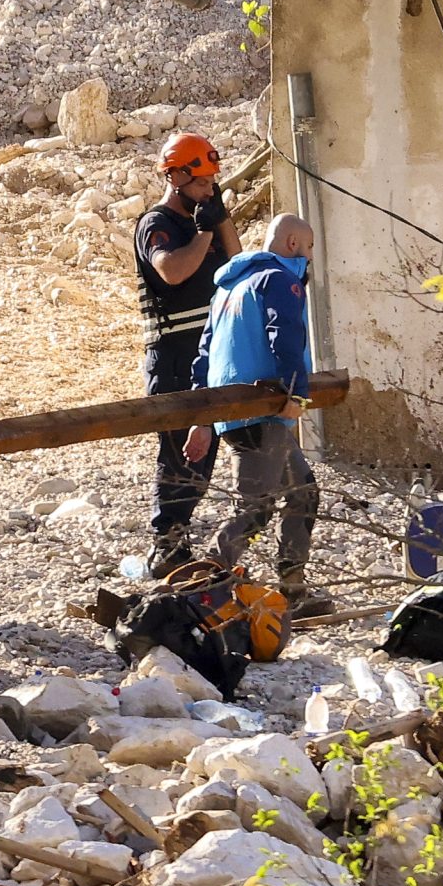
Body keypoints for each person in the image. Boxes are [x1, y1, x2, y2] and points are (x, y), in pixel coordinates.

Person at [183, 215, 325, 611]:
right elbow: (287, 337)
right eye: (309, 248)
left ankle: (292, 590)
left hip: (234, 413)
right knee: (255, 509)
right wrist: (296, 394)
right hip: (265, 412)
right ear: (293, 243)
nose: (310, 258)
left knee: (303, 494)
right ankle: (201, 588)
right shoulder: (278, 280)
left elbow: (204, 357)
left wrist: (204, 418)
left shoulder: (228, 288)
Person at [134, 133, 242, 578]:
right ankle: (167, 545)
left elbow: (236, 263)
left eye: (212, 181)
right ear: (175, 176)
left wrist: (221, 221)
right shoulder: (155, 224)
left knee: (204, 453)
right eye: (200, 182)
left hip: (209, 354)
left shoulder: (207, 220)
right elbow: (173, 271)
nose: (208, 190)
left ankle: (179, 543)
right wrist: (201, 231)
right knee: (179, 453)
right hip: (174, 356)